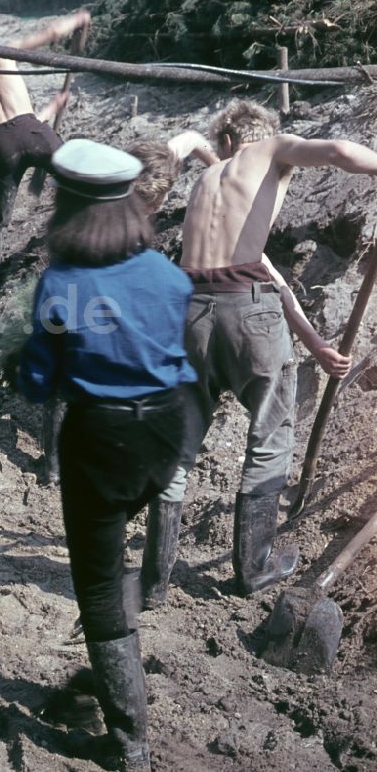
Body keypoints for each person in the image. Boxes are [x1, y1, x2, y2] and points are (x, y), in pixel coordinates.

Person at [17, 138, 196, 772]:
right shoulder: (169, 274)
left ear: (67, 209)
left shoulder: (62, 285)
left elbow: (39, 382)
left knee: (97, 583)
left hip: (100, 440)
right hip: (168, 432)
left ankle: (129, 746)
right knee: (130, 530)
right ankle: (137, 617)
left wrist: (31, 356)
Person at [140, 101, 363, 609]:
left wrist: (318, 346)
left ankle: (154, 581)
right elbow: (338, 151)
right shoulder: (270, 151)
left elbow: (272, 279)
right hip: (248, 317)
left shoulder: (213, 180)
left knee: (178, 440)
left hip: (190, 313)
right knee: (270, 434)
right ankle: (254, 568)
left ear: (224, 144)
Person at [0, 10, 91, 301]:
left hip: (0, 143)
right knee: (80, 180)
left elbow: (9, 129)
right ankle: (95, 236)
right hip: (34, 131)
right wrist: (77, 21)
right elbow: (49, 34)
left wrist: (53, 108)